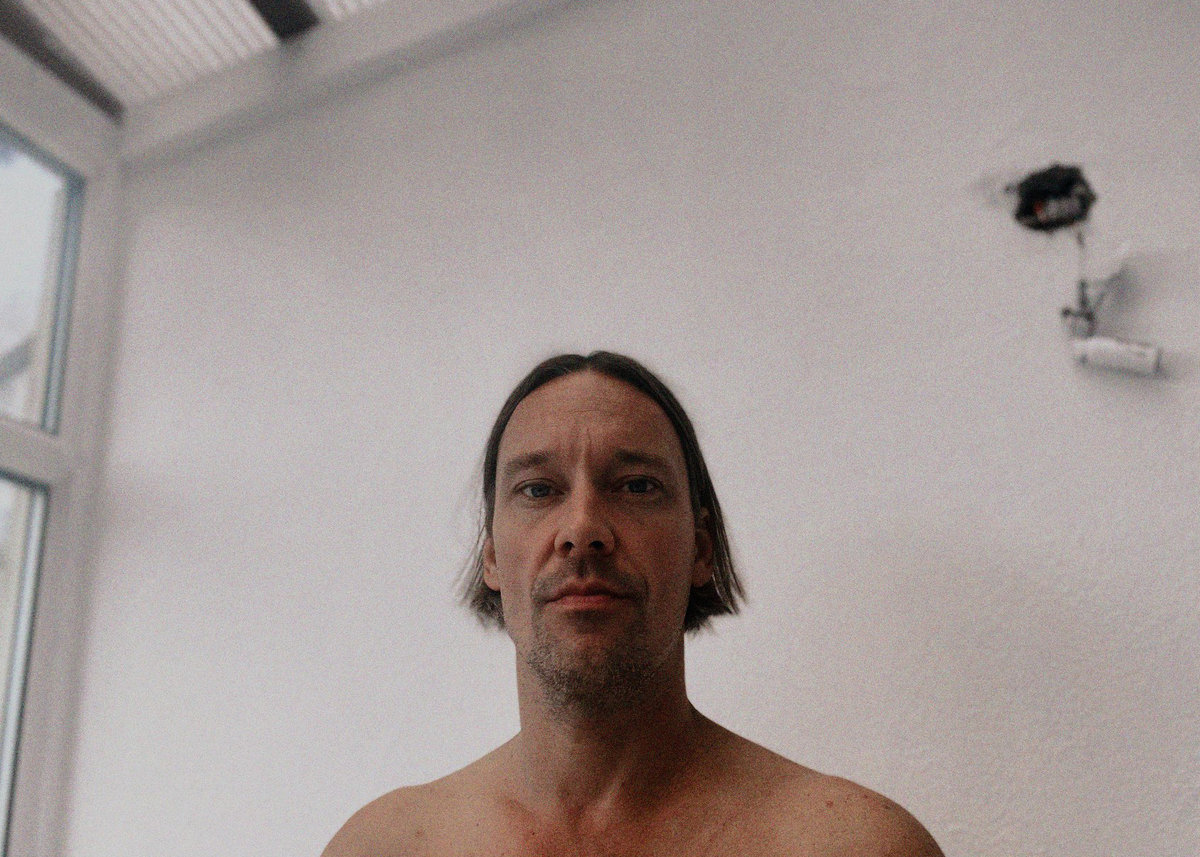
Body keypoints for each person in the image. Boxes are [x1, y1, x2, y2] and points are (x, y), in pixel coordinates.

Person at [323, 351, 943, 857]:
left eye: (637, 486)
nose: (582, 528)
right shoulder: (384, 848)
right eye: (538, 489)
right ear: (490, 557)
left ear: (701, 548)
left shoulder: (850, 845)